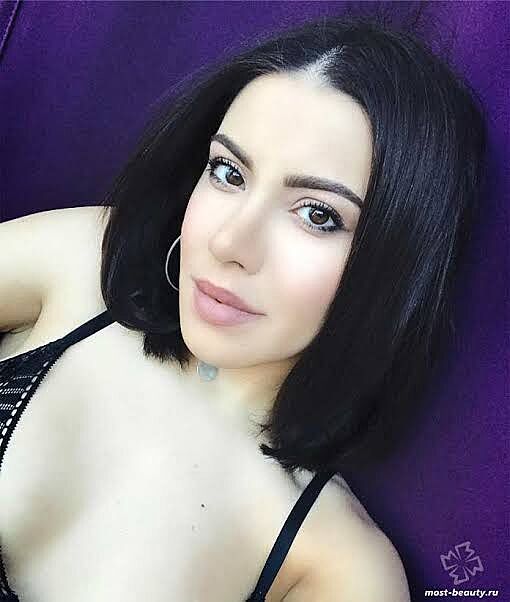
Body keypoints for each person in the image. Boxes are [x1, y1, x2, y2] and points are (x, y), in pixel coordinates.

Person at [0, 13, 487, 602]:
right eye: (228, 172)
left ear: (395, 267)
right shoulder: (83, 265)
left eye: (317, 214)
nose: (230, 242)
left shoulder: (338, 568)